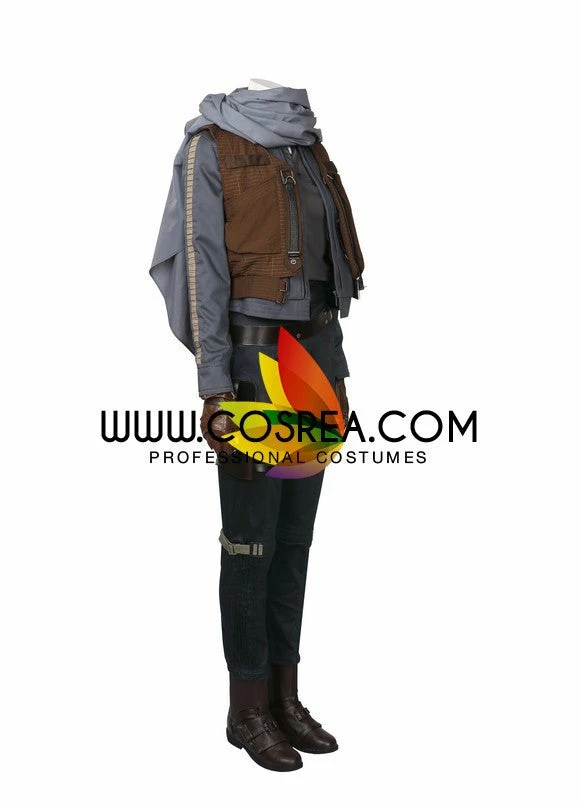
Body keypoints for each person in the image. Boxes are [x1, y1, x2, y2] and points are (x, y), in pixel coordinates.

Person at [150, 81, 365, 772]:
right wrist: (215, 384)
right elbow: (201, 269)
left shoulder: (309, 145)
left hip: (316, 361)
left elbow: (328, 272)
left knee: (295, 539)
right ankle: (246, 709)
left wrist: (336, 371)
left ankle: (284, 695)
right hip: (253, 364)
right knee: (250, 543)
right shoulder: (210, 146)